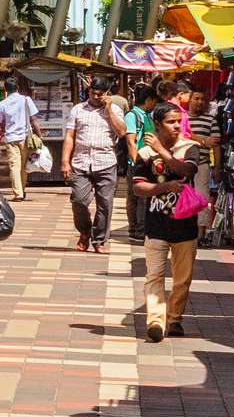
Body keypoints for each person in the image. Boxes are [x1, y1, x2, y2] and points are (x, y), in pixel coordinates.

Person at [132, 142, 208, 342]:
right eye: (169, 122)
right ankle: (156, 321)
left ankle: (174, 319)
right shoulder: (145, 152)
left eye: (177, 121)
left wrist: (161, 150)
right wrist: (164, 187)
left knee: (182, 279)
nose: (175, 126)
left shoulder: (190, 148)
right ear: (158, 124)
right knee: (154, 275)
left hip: (185, 228)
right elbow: (137, 187)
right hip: (156, 227)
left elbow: (186, 171)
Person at [63, 82, 125, 251]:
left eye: (100, 94)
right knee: (79, 200)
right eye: (93, 93)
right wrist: (65, 162)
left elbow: (122, 132)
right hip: (80, 162)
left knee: (105, 203)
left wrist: (110, 109)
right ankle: (84, 231)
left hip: (106, 162)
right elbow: (70, 136)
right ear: (88, 92)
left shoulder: (115, 110)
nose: (96, 97)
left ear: (106, 93)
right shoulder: (78, 109)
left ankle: (100, 240)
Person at [0, 79, 39, 189]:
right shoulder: (26, 100)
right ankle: (21, 190)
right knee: (23, 166)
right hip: (24, 137)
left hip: (10, 139)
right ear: (17, 88)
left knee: (14, 166)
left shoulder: (2, 104)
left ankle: (18, 192)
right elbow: (33, 119)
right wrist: (39, 134)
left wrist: (0, 135)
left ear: (5, 89)